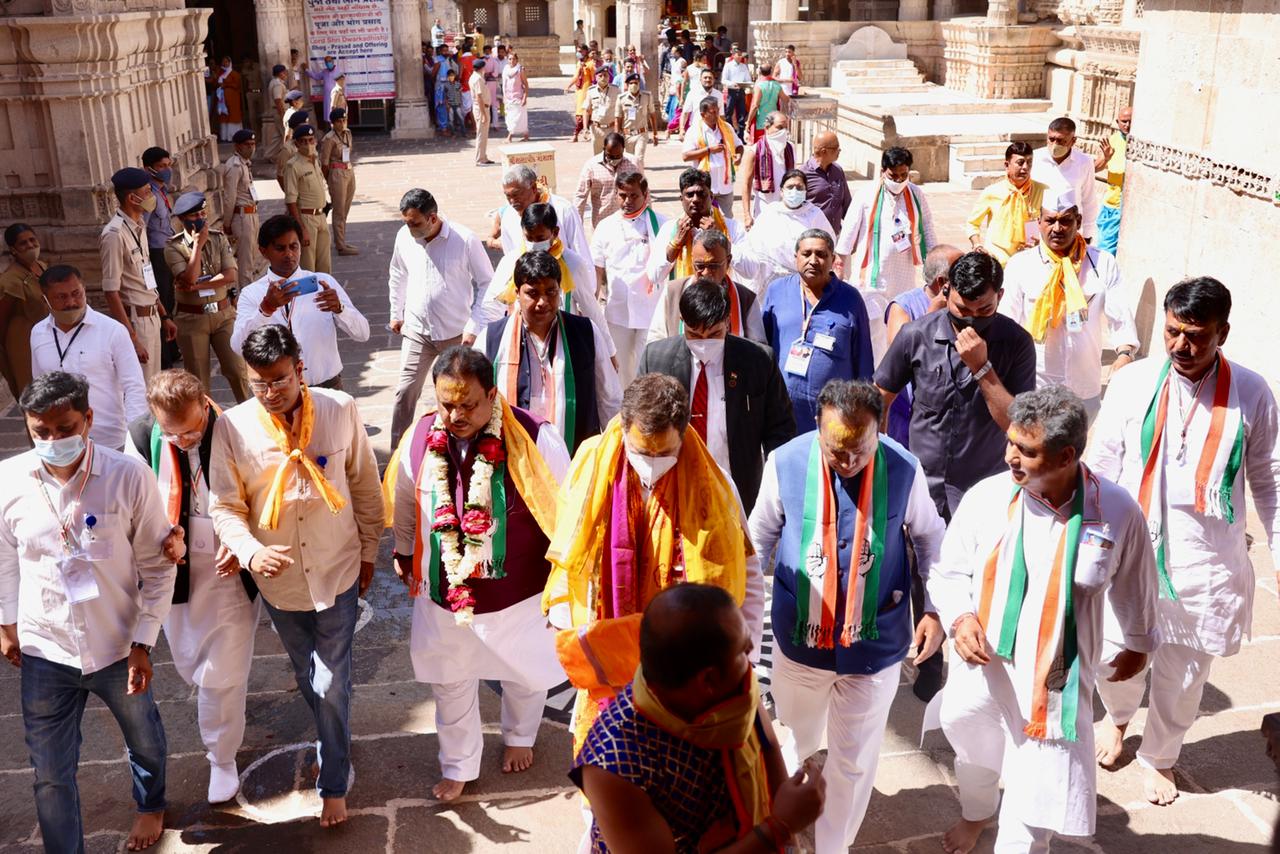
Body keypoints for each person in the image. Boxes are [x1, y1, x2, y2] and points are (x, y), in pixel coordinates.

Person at [930, 385, 1159, 854]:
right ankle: (977, 811)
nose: (1010, 457)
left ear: (1066, 456)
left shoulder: (1115, 511)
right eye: (1011, 442)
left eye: (1027, 450)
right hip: (983, 668)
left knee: (1033, 814)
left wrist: (1138, 644)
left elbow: (1137, 586)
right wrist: (960, 618)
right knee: (973, 749)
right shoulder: (987, 497)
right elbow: (948, 572)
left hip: (1054, 682)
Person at [1089, 276, 1280, 807]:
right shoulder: (1133, 382)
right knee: (1113, 653)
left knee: (1186, 671)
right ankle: (1118, 719)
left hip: (1206, 560)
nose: (1180, 345)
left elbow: (1269, 479)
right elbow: (1100, 465)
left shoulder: (1252, 392)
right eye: (1172, 331)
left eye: (1196, 336)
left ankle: (1160, 756)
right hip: (1131, 551)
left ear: (1223, 333)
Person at [751, 379, 945, 851]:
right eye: (836, 451)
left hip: (875, 644)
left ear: (879, 429)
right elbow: (758, 539)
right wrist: (746, 618)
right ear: (818, 427)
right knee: (797, 734)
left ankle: (833, 845)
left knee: (853, 761)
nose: (849, 461)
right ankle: (791, 803)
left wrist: (935, 610)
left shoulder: (903, 467)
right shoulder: (785, 463)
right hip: (800, 641)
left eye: (860, 449)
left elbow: (930, 537)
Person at [209, 324, 382, 829]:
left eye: (280, 380)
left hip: (337, 566)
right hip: (279, 582)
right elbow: (224, 505)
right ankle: (336, 731)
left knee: (329, 682)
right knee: (312, 678)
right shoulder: (233, 426)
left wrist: (370, 548)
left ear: (300, 369)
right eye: (259, 383)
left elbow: (364, 482)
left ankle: (334, 783)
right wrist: (249, 552)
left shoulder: (338, 409)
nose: (270, 392)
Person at [0, 371, 175, 852]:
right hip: (45, 647)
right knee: (49, 773)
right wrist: (7, 623)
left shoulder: (127, 476)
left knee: (144, 737)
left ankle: (151, 803)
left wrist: (143, 642)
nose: (53, 441)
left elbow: (158, 565)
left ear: (89, 419)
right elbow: (5, 560)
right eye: (41, 432)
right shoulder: (8, 480)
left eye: (65, 429)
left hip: (118, 643)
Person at [544, 373, 764, 752]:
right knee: (608, 764)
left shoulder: (716, 486)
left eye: (663, 455)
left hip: (684, 660)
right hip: (609, 653)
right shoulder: (589, 470)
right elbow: (569, 550)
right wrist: (570, 628)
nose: (650, 464)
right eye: (640, 452)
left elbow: (747, 571)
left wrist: (744, 651)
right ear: (623, 428)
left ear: (684, 433)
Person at [390, 346, 569, 801]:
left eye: (468, 404)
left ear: (492, 395)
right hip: (446, 588)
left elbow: (567, 510)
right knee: (449, 679)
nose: (456, 415)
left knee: (525, 673)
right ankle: (458, 764)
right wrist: (405, 549)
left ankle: (521, 736)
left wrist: (566, 579)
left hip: (520, 589)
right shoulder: (420, 436)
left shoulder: (536, 437)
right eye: (446, 404)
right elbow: (406, 497)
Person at [573, 584, 826, 852]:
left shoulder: (734, 684)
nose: (751, 649)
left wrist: (789, 844)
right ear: (708, 681)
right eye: (743, 649)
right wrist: (780, 827)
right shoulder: (612, 762)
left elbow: (769, 746)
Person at [125, 370, 258, 804]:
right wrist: (158, 538)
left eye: (191, 431)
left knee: (224, 670)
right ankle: (219, 714)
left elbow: (261, 494)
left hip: (228, 564)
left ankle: (221, 757)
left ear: (205, 404)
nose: (183, 441)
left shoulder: (236, 427)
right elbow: (133, 504)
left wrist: (242, 543)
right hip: (176, 568)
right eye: (172, 433)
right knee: (190, 662)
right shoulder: (141, 436)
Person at [874, 251, 1037, 521]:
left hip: (982, 491)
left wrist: (982, 369)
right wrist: (880, 460)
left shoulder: (1017, 343)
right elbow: (879, 398)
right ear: (946, 291)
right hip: (920, 485)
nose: (971, 319)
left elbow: (1019, 426)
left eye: (983, 311)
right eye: (962, 310)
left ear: (1000, 296)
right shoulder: (916, 335)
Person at [639, 279, 793, 512]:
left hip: (736, 490)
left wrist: (776, 488)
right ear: (682, 322)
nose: (704, 343)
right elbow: (639, 425)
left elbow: (780, 429)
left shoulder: (758, 361)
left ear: (727, 322)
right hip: (674, 487)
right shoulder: (656, 359)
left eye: (714, 334)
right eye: (694, 335)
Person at [1000, 187, 1138, 419]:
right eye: (1050, 221)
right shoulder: (1020, 265)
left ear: (1078, 221)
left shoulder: (1102, 263)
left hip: (1084, 386)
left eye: (1065, 221)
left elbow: (1120, 315)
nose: (1057, 228)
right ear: (1039, 222)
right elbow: (1006, 323)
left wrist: (1125, 354)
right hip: (1035, 384)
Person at [477, 251, 621, 455]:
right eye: (533, 293)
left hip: (574, 454)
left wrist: (615, 452)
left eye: (551, 292)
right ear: (517, 292)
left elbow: (610, 399)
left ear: (560, 290)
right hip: (514, 456)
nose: (543, 301)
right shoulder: (492, 339)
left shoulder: (585, 333)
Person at [387, 189, 495, 449]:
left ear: (432, 218)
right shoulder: (404, 237)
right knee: (405, 393)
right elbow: (398, 273)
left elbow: (487, 283)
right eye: (406, 222)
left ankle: (473, 448)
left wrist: (474, 326)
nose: (409, 228)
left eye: (415, 223)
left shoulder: (465, 239)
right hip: (417, 331)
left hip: (457, 334)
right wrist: (396, 312)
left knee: (462, 395)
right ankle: (397, 454)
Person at [232, 215, 369, 390]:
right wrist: (266, 309)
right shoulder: (252, 294)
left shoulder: (323, 283)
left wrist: (340, 309)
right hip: (280, 392)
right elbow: (238, 346)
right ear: (263, 251)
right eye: (280, 248)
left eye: (293, 246)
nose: (289, 254)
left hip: (328, 386)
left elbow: (363, 334)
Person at [471, 202, 613, 362]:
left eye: (540, 238)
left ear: (555, 232)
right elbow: (491, 306)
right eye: (529, 238)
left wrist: (609, 351)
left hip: (562, 344)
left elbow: (591, 309)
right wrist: (490, 345)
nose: (534, 244)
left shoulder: (572, 264)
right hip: (521, 344)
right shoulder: (511, 262)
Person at [762, 229, 873, 432]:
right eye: (806, 254)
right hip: (782, 411)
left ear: (833, 259)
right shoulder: (776, 291)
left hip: (834, 415)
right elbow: (763, 348)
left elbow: (863, 360)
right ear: (796, 257)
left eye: (821, 255)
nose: (813, 261)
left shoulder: (851, 299)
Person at [29, 263, 147, 452]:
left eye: (76, 293)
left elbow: (134, 386)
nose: (71, 302)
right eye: (61, 297)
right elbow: (39, 387)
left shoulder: (113, 330)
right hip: (61, 442)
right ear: (45, 300)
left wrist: (136, 438)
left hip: (110, 440)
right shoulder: (38, 333)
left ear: (84, 290)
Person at [163, 191, 251, 402]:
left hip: (223, 314)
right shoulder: (173, 247)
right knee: (199, 380)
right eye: (194, 216)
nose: (201, 219)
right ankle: (207, 419)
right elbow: (188, 277)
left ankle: (251, 412)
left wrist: (196, 286)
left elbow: (229, 275)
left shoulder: (218, 238)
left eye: (203, 213)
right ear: (182, 219)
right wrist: (197, 246)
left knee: (238, 370)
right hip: (192, 319)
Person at [591, 170, 670, 385]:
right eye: (622, 195)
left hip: (651, 312)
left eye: (634, 195)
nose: (627, 201)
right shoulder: (605, 227)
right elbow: (597, 269)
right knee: (619, 372)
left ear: (645, 195)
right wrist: (591, 303)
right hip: (617, 313)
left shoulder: (662, 225)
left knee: (648, 370)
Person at [882, 245, 961, 448]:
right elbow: (899, 357)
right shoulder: (903, 306)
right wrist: (932, 314)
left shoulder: (962, 304)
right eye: (960, 269)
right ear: (942, 282)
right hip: (909, 416)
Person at [648, 168, 763, 299]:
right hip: (683, 302)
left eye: (701, 194)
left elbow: (751, 270)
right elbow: (654, 276)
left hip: (722, 302)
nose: (695, 199)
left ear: (711, 196)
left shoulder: (732, 227)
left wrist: (720, 239)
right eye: (690, 195)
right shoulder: (670, 229)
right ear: (681, 198)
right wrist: (675, 244)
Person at [646, 228, 766, 345]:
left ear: (728, 262)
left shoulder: (746, 299)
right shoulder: (673, 292)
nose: (706, 273)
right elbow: (654, 342)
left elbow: (759, 349)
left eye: (713, 266)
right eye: (700, 266)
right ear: (692, 260)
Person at [746, 169, 837, 287]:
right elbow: (753, 246)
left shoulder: (814, 214)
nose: (794, 191)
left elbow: (829, 243)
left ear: (805, 192)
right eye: (790, 187)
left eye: (799, 188)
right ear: (781, 191)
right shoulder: (770, 213)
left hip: (806, 279)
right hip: (772, 279)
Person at [965, 141, 1047, 265]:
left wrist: (1040, 241)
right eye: (1020, 163)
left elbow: (1051, 224)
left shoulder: (1043, 191)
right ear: (1007, 165)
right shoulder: (991, 192)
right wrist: (977, 245)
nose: (1025, 167)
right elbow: (972, 223)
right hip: (997, 259)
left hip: (1029, 258)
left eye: (1029, 162)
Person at [493, 165, 592, 262]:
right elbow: (511, 259)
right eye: (508, 196)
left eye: (516, 194)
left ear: (533, 188)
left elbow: (581, 254)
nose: (512, 201)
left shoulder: (564, 210)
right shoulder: (508, 216)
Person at [0, 223, 48, 400]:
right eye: (23, 243)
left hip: (46, 335)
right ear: (13, 249)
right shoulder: (10, 280)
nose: (30, 245)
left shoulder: (42, 267)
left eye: (32, 240)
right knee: (32, 389)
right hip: (23, 341)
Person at [1031, 116, 1100, 241]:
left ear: (1073, 141)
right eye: (1051, 139)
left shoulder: (1084, 162)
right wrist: (1030, 234)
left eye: (1061, 141)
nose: (1055, 145)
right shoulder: (1035, 158)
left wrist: (1087, 235)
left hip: (1069, 232)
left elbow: (1089, 200)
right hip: (1040, 232)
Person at [141, 148, 179, 368]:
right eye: (162, 166)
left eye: (168, 165)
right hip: (156, 254)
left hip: (167, 250)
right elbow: (142, 228)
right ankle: (164, 357)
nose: (167, 170)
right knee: (162, 302)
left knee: (170, 300)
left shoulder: (161, 191)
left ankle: (172, 349)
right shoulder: (149, 196)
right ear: (149, 169)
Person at [282, 124, 333, 274]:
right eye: (303, 141)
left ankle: (324, 287)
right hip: (306, 217)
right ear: (296, 144)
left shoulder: (315, 160)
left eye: (311, 140)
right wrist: (301, 228)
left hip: (321, 215)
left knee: (324, 263)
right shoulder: (293, 165)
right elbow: (291, 200)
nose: (308, 144)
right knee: (308, 264)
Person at [217, 128, 266, 283]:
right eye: (247, 144)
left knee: (252, 257)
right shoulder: (234, 166)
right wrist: (227, 223)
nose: (251, 148)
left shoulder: (245, 164)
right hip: (242, 216)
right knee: (246, 262)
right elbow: (229, 197)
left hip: (251, 214)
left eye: (253, 144)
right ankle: (246, 293)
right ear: (237, 146)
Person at [683, 96, 741, 216]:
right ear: (703, 114)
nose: (716, 115)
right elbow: (686, 156)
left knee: (728, 218)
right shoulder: (694, 131)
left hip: (725, 184)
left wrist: (739, 155)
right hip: (705, 185)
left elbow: (739, 145)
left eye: (717, 111)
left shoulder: (726, 127)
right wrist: (709, 150)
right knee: (705, 217)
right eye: (712, 112)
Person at [737, 111, 795, 226]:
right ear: (767, 128)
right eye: (780, 127)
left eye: (786, 128)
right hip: (764, 208)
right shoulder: (755, 151)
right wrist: (747, 215)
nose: (784, 131)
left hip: (787, 207)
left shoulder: (790, 148)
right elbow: (746, 184)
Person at [574, 132, 639, 228]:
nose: (614, 159)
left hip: (630, 222)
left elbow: (643, 191)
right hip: (601, 222)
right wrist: (576, 224)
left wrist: (648, 218)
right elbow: (580, 195)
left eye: (618, 156)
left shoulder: (633, 163)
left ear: (623, 149)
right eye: (610, 156)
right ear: (604, 149)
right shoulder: (591, 166)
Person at [319, 108, 359, 257]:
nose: (342, 124)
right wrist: (329, 179)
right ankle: (340, 246)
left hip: (348, 170)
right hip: (336, 173)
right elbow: (324, 163)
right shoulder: (329, 139)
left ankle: (342, 240)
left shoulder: (348, 133)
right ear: (333, 123)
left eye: (344, 120)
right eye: (338, 121)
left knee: (345, 209)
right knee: (339, 210)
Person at [1093, 106, 1132, 257]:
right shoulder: (1112, 141)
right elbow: (1095, 168)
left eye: (1130, 121)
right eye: (1124, 121)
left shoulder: (1138, 142)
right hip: (1112, 205)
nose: (1127, 125)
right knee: (1106, 250)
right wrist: (1106, 158)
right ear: (1117, 122)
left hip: (1129, 206)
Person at [801, 132, 853, 241]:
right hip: (813, 238)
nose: (839, 151)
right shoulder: (803, 174)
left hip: (836, 236)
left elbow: (847, 204)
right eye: (836, 148)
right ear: (824, 151)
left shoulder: (838, 170)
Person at [612, 72, 660, 166]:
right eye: (631, 83)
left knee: (639, 159)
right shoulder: (621, 98)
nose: (634, 85)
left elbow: (652, 115)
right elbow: (618, 119)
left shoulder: (647, 96)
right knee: (629, 160)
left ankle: (639, 174)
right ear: (627, 85)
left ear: (639, 84)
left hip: (641, 134)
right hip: (627, 135)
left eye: (636, 83)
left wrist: (655, 134)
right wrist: (617, 136)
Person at [584, 67, 619, 155]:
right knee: (597, 156)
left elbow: (621, 109)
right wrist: (585, 128)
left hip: (611, 128)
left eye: (606, 76)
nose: (603, 78)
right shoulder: (591, 91)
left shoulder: (616, 90)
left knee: (612, 154)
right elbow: (586, 111)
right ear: (596, 77)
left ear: (609, 77)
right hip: (596, 129)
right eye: (600, 76)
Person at [720, 46, 752, 138]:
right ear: (733, 55)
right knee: (729, 113)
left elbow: (748, 79)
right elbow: (724, 80)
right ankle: (728, 133)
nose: (740, 56)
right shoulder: (728, 66)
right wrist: (732, 84)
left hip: (741, 91)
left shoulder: (743, 66)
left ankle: (740, 135)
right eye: (738, 54)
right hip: (732, 91)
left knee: (742, 113)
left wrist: (745, 84)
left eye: (740, 55)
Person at [306, 54, 344, 129]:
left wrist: (344, 96)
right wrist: (307, 70)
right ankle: (329, 131)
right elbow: (316, 76)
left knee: (337, 115)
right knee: (328, 115)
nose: (328, 63)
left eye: (329, 61)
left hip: (336, 97)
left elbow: (343, 85)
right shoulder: (324, 72)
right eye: (326, 62)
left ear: (333, 61)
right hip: (327, 98)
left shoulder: (338, 71)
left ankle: (338, 131)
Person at [566, 48, 596, 143]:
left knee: (584, 113)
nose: (578, 53)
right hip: (579, 91)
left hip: (587, 91)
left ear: (586, 51)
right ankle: (585, 134)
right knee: (580, 114)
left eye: (580, 51)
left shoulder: (590, 63)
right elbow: (576, 76)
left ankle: (576, 135)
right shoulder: (579, 63)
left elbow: (594, 79)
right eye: (578, 51)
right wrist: (568, 86)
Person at [470, 58, 494, 166]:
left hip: (482, 108)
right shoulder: (477, 79)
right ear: (481, 68)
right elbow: (479, 97)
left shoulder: (476, 77)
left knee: (484, 134)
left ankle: (483, 157)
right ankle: (479, 159)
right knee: (481, 134)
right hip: (481, 109)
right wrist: (484, 114)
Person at [214, 56, 244, 140]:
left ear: (230, 63)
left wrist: (226, 85)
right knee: (224, 116)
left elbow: (237, 85)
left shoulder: (234, 74)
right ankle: (225, 136)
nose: (225, 63)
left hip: (233, 99)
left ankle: (233, 136)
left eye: (226, 62)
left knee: (233, 115)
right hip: (222, 100)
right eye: (223, 62)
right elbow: (215, 83)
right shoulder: (220, 73)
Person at [502, 49, 529, 142]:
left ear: (517, 60)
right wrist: (504, 96)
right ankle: (526, 135)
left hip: (518, 97)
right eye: (510, 59)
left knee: (517, 118)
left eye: (513, 59)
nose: (511, 61)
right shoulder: (506, 69)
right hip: (508, 98)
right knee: (510, 117)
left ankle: (509, 137)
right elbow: (505, 84)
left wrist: (524, 98)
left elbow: (526, 85)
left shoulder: (520, 70)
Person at [264, 63, 289, 163]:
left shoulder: (275, 82)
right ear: (280, 73)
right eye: (284, 72)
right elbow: (278, 100)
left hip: (279, 111)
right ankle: (289, 156)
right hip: (280, 112)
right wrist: (282, 115)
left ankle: (269, 154)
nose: (286, 74)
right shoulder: (277, 84)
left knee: (278, 136)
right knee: (287, 135)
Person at [442, 67, 464, 134]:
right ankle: (453, 133)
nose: (451, 77)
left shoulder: (458, 84)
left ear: (454, 76)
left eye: (452, 75)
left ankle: (464, 132)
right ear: (448, 77)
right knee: (451, 119)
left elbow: (460, 94)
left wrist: (461, 102)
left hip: (457, 104)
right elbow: (445, 96)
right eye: (450, 76)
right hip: (450, 104)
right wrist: (447, 105)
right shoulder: (446, 85)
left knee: (461, 118)